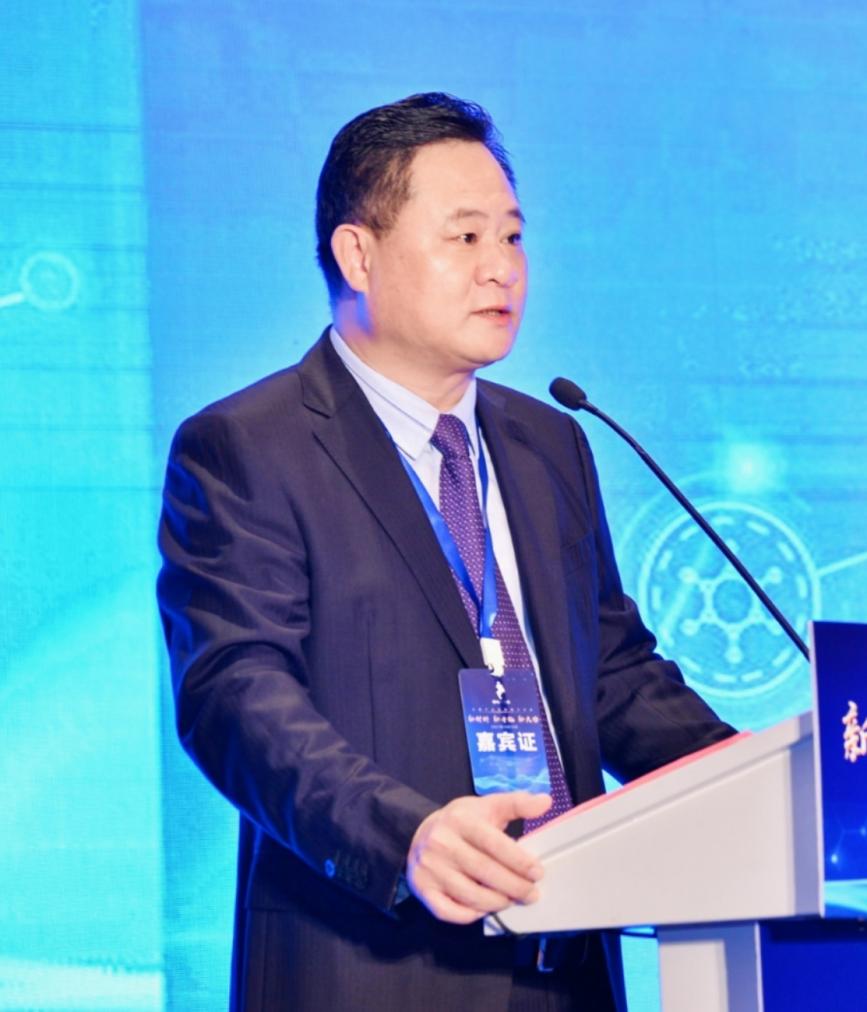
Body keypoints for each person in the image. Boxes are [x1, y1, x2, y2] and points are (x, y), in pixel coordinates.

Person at [157, 92, 735, 1011]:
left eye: (512, 237)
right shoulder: (249, 446)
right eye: (464, 237)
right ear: (358, 255)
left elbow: (613, 677)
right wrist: (406, 838)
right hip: (370, 967)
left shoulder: (550, 442)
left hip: (565, 966)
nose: (501, 268)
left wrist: (777, 780)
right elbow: (235, 695)